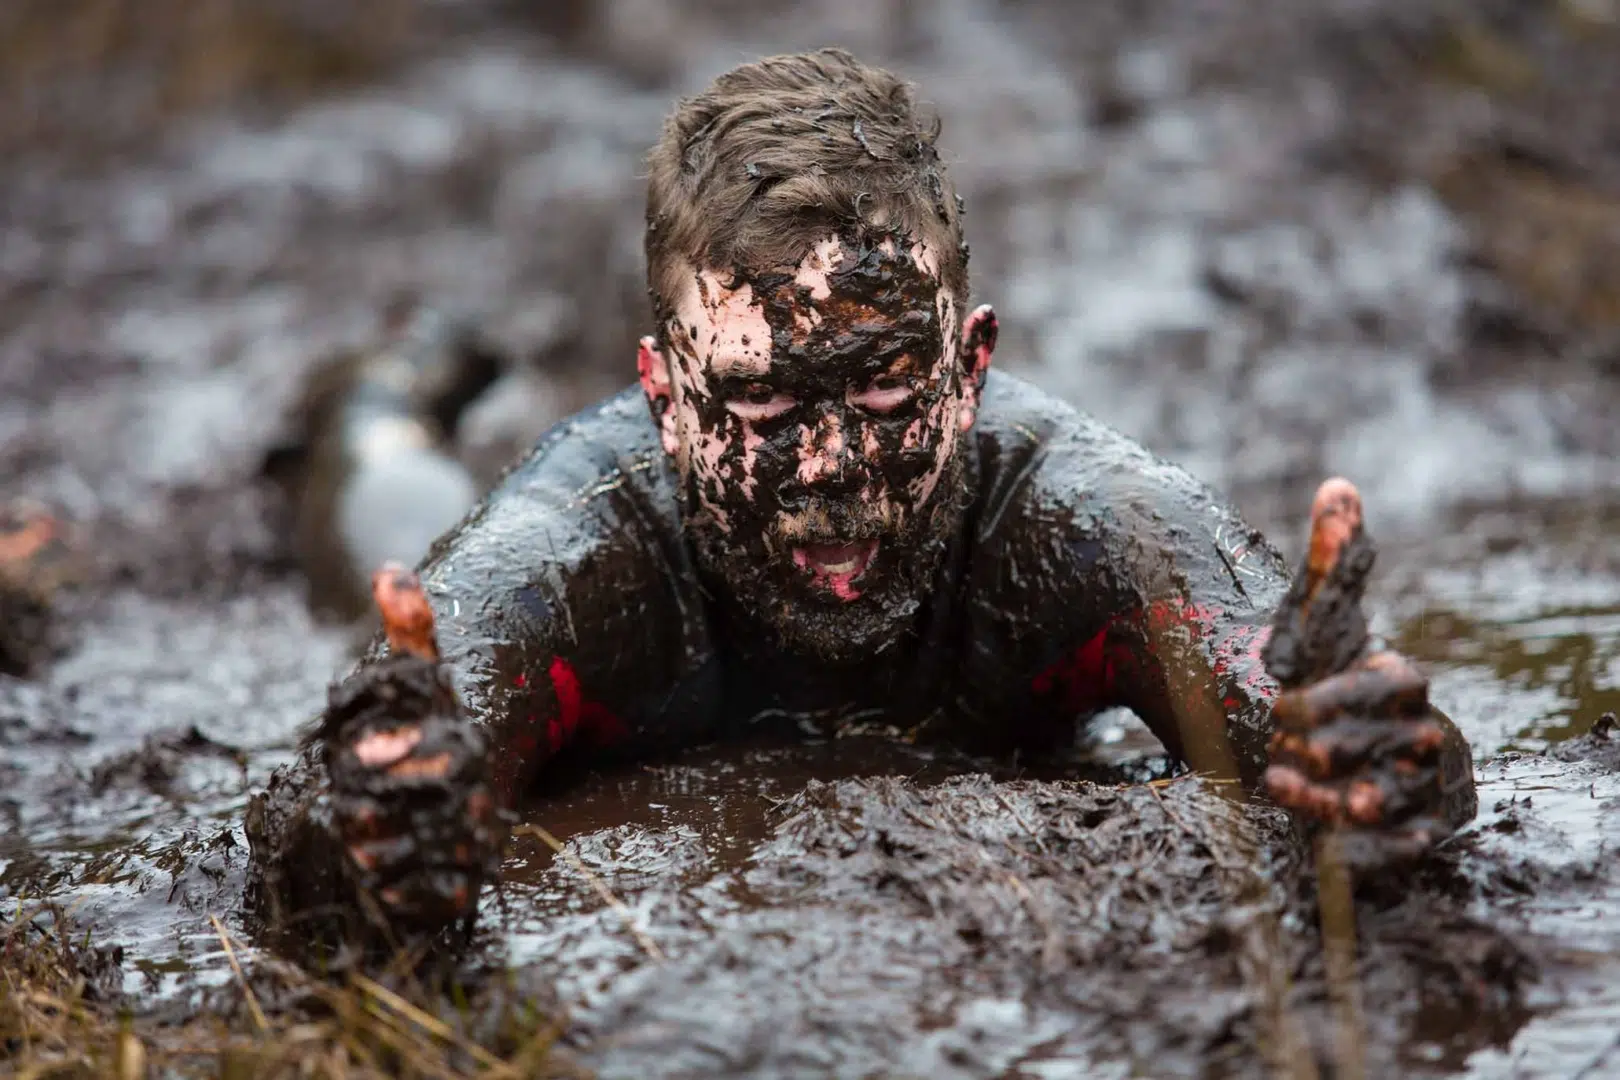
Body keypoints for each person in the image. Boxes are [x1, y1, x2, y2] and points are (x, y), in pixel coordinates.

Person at [245, 48, 1477, 948]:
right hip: (488, 524)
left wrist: (1389, 763)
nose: (831, 468)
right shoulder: (564, 556)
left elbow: (1330, 719)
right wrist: (366, 826)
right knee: (387, 503)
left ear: (972, 364)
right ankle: (390, 376)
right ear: (665, 395)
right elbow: (325, 810)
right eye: (764, 407)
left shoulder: (1084, 520)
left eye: (888, 390)